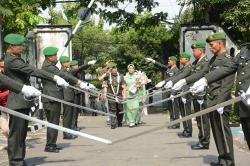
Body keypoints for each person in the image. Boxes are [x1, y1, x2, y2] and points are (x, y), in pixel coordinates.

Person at [3, 33, 66, 166]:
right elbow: (32, 70)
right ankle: (16, 162)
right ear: (10, 46)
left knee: (21, 135)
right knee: (16, 135)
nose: (21, 47)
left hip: (23, 100)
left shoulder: (16, 57)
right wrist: (54, 77)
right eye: (18, 45)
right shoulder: (12, 60)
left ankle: (20, 160)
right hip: (17, 101)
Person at [186, 32, 235, 166]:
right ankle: (222, 159)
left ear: (220, 43)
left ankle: (229, 162)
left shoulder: (228, 60)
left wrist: (220, 103)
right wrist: (186, 81)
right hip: (211, 100)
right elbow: (202, 73)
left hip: (221, 102)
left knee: (223, 133)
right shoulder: (213, 60)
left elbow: (227, 84)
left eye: (212, 45)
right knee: (217, 133)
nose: (210, 48)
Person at [191, 42, 250, 150]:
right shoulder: (245, 50)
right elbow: (230, 67)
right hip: (245, 105)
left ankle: (226, 161)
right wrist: (205, 80)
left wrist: (221, 101)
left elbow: (227, 82)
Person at [41, 47, 92, 153]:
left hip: (54, 97)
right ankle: (50, 145)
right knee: (53, 123)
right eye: (55, 55)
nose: (57, 57)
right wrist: (79, 82)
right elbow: (63, 74)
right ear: (50, 57)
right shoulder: (49, 67)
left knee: (54, 122)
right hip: (51, 98)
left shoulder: (50, 66)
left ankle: (52, 144)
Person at [172, 41, 211, 149]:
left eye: (194, 50)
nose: (193, 52)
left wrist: (184, 81)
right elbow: (188, 74)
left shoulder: (205, 62)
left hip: (202, 95)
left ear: (200, 50)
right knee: (199, 119)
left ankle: (204, 142)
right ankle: (201, 140)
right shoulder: (196, 62)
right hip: (195, 94)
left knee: (203, 119)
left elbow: (200, 74)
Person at [165, 52, 193, 137]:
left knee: (186, 113)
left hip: (185, 93)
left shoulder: (188, 68)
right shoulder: (183, 68)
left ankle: (188, 131)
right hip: (181, 92)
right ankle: (186, 129)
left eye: (182, 58)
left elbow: (182, 77)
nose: (180, 60)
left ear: (187, 59)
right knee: (183, 113)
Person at [70, 59, 96, 130]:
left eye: (77, 65)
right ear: (72, 66)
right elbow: (80, 68)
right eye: (75, 66)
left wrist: (87, 85)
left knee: (76, 110)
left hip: (78, 92)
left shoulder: (79, 72)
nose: (76, 66)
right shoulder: (72, 71)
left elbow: (82, 77)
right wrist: (88, 64)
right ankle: (73, 126)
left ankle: (75, 125)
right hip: (73, 93)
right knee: (74, 110)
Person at [59, 56, 77, 139]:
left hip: (69, 96)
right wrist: (87, 64)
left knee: (69, 116)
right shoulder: (62, 72)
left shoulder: (66, 71)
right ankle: (66, 134)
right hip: (66, 96)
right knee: (67, 117)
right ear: (63, 63)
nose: (69, 63)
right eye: (67, 62)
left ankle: (68, 133)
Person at [104, 63, 126, 129]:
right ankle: (113, 123)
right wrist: (105, 94)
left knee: (120, 109)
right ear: (111, 69)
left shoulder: (121, 76)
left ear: (117, 69)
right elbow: (105, 85)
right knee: (112, 109)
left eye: (115, 68)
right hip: (110, 94)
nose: (114, 70)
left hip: (119, 95)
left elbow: (124, 86)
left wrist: (124, 95)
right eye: (112, 68)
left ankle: (119, 122)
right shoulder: (107, 76)